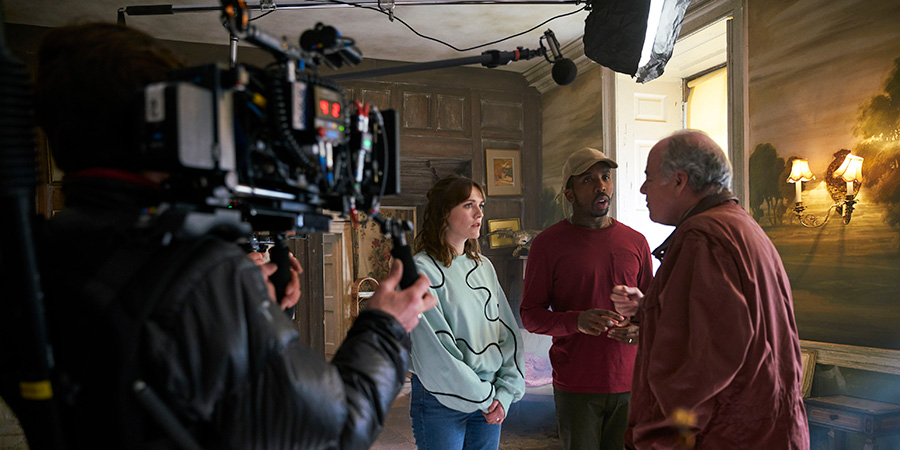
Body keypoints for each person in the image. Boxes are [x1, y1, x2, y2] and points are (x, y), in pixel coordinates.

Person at [30, 22, 436, 450]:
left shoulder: (44, 249)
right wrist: (385, 327)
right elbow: (339, 428)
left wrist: (240, 314)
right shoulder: (198, 272)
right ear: (160, 121)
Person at [610, 130, 809, 449]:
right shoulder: (740, 225)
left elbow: (700, 366)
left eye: (649, 177)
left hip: (725, 437)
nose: (643, 188)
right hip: (766, 429)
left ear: (679, 181)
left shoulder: (702, 238)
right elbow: (720, 326)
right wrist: (649, 308)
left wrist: (653, 439)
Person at [519, 147, 653, 450]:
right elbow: (530, 315)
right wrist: (576, 320)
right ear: (569, 194)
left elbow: (653, 310)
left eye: (605, 177)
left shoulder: (636, 242)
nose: (601, 186)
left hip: (631, 382)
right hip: (576, 384)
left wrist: (640, 331)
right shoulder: (547, 245)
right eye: (588, 180)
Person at [408, 174, 526, 450]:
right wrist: (486, 398)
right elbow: (435, 348)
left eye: (481, 205)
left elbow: (505, 334)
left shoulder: (483, 266)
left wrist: (505, 393)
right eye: (468, 205)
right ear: (443, 214)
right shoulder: (420, 270)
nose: (479, 213)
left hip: (490, 394)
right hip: (441, 398)